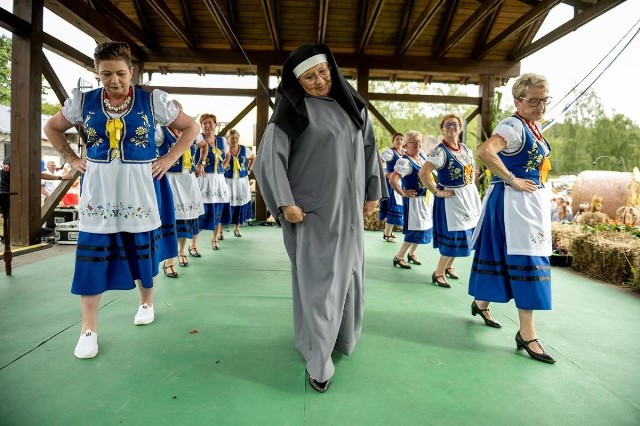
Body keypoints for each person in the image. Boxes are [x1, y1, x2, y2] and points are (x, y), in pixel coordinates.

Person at [43, 41, 199, 359]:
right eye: (106, 74)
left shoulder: (152, 100)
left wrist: (169, 158)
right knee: (91, 251)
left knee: (140, 246)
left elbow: (190, 127)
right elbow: (53, 127)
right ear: (97, 73)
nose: (114, 81)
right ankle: (88, 329)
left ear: (131, 71)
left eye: (120, 73)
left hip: (141, 184)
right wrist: (72, 158)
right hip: (99, 185)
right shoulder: (83, 102)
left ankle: (146, 301)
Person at [254, 44, 387, 393]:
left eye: (324, 72)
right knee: (320, 286)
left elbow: (370, 149)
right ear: (297, 81)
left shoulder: (354, 106)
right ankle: (318, 359)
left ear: (333, 69)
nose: (319, 81)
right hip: (314, 214)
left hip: (351, 216)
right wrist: (285, 203)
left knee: (350, 278)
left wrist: (373, 193)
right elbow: (268, 161)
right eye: (309, 77)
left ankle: (342, 341)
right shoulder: (291, 113)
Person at [468, 73, 555, 363]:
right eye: (534, 100)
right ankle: (527, 333)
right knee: (526, 259)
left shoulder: (534, 126)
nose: (541, 106)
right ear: (518, 101)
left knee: (513, 257)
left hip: (528, 202)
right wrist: (511, 178)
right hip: (513, 203)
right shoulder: (513, 126)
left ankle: (481, 303)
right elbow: (484, 151)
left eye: (544, 100)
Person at [419, 114, 481, 288]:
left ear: (460, 128)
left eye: (455, 125)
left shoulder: (465, 149)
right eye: (447, 125)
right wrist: (436, 192)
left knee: (466, 233)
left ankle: (449, 266)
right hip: (451, 200)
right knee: (455, 236)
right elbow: (423, 173)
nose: (451, 128)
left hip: (468, 197)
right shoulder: (439, 151)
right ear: (442, 129)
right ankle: (438, 272)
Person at [156, 108, 204, 277]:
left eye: (179, 113)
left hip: (188, 179)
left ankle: (181, 251)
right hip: (169, 179)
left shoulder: (191, 131)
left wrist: (202, 163)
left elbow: (203, 145)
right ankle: (169, 260)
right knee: (171, 219)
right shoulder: (160, 132)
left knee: (186, 219)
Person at [389, 131, 434, 271]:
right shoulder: (405, 161)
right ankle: (399, 256)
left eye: (419, 142)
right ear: (406, 144)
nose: (417, 145)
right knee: (415, 229)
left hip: (425, 199)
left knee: (424, 227)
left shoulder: (421, 156)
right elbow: (393, 180)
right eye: (414, 142)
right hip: (414, 201)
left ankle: (412, 253)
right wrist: (403, 193)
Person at [192, 113, 229, 252]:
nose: (207, 126)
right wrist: (196, 167)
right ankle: (194, 244)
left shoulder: (222, 141)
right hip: (203, 179)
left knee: (217, 210)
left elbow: (228, 155)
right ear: (201, 126)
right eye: (204, 123)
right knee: (199, 212)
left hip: (218, 180)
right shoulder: (198, 139)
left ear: (215, 124)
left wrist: (222, 168)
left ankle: (214, 239)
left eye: (210, 123)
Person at [222, 129, 255, 237]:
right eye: (232, 138)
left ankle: (237, 228)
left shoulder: (244, 149)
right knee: (225, 204)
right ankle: (220, 231)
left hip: (241, 181)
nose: (235, 140)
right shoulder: (223, 150)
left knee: (239, 204)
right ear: (227, 139)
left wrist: (249, 170)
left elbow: (253, 158)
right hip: (227, 180)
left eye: (236, 138)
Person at [378, 132, 405, 243]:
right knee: (393, 207)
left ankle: (388, 232)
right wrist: (385, 173)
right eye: (397, 139)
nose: (399, 141)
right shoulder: (390, 152)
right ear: (393, 141)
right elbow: (379, 161)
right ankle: (387, 234)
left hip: (400, 183)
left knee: (396, 207)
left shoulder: (403, 153)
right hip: (391, 184)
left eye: (401, 139)